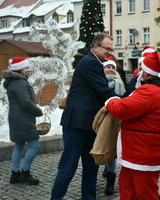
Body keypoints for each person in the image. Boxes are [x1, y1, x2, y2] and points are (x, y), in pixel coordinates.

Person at [51, 33, 117, 200]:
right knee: (68, 168)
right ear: (95, 46)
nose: (110, 53)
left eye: (111, 49)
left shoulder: (94, 62)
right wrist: (128, 102)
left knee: (91, 166)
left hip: (89, 125)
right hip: (77, 124)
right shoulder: (90, 62)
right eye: (107, 49)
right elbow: (103, 91)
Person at [105, 51, 160, 200]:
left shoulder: (151, 91)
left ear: (148, 73)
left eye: (143, 69)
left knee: (145, 193)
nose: (141, 72)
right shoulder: (156, 89)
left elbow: (122, 109)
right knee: (128, 188)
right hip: (138, 152)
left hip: (143, 152)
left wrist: (111, 101)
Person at [2, 57, 43, 185]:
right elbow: (25, 103)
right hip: (22, 119)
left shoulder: (15, 81)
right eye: (26, 68)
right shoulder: (19, 83)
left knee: (19, 145)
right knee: (34, 145)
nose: (28, 70)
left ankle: (15, 174)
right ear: (19, 69)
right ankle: (25, 173)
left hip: (17, 118)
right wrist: (38, 111)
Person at [102, 59, 126, 195]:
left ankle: (110, 183)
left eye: (112, 67)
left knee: (112, 151)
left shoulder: (120, 83)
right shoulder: (99, 83)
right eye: (107, 67)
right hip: (100, 120)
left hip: (114, 121)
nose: (110, 68)